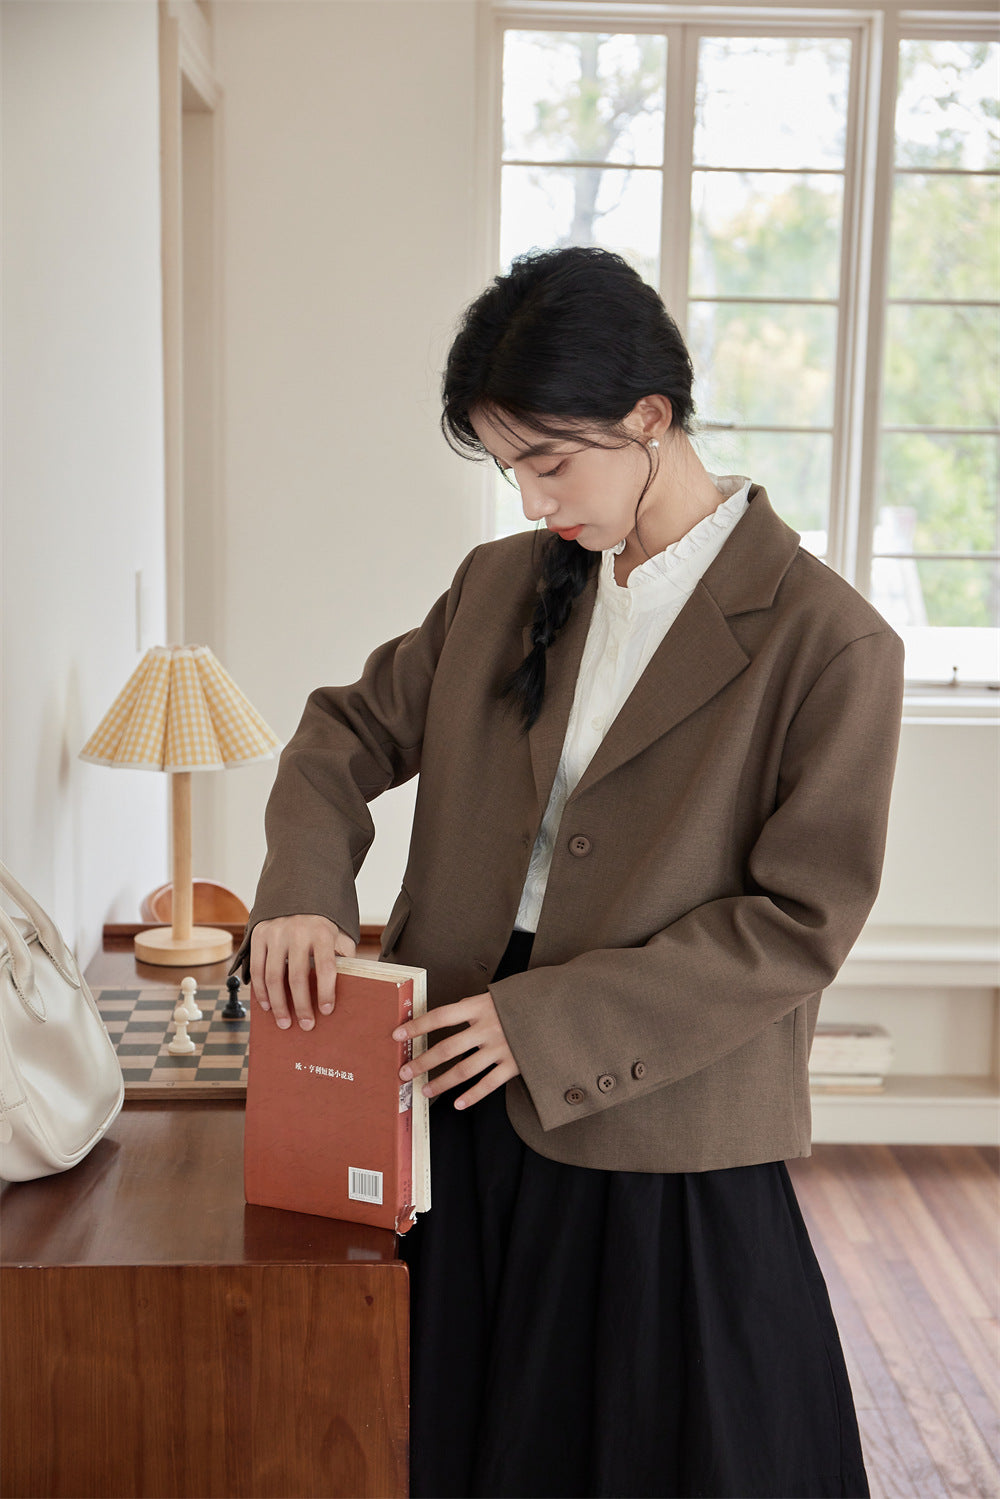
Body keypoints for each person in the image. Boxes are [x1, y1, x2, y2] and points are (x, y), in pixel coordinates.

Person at [232, 246, 903, 1499]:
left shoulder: (829, 641)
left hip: (659, 1123)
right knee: (452, 1437)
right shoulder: (499, 586)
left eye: (550, 459)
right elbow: (340, 734)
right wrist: (305, 899)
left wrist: (542, 1021)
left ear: (651, 416)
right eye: (509, 467)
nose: (533, 498)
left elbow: (799, 919)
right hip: (454, 1097)